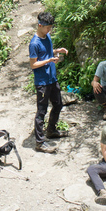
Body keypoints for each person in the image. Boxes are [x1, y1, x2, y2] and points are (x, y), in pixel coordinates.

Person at [29, 11, 68, 154]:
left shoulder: (48, 37)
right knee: (41, 111)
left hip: (52, 78)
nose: (49, 30)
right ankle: (39, 143)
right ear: (40, 25)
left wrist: (58, 50)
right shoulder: (34, 43)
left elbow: (48, 52)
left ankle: (51, 130)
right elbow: (33, 64)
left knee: (58, 104)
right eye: (47, 27)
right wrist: (49, 61)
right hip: (42, 82)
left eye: (50, 27)